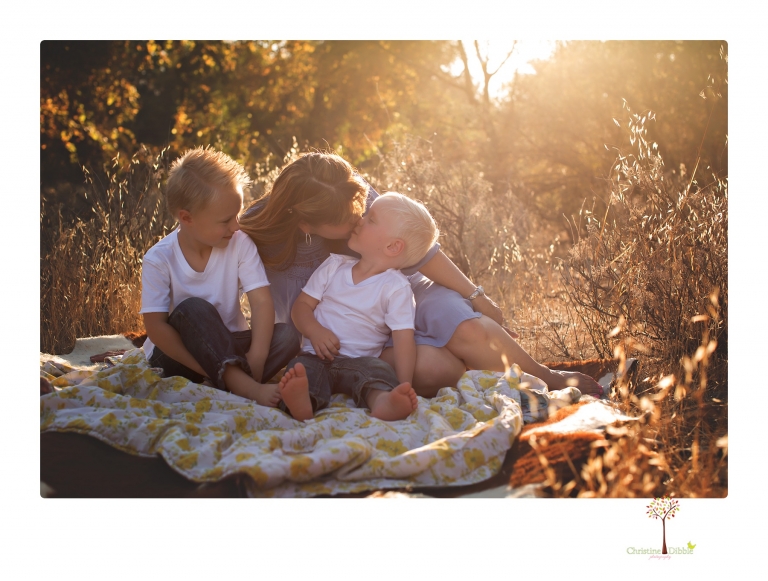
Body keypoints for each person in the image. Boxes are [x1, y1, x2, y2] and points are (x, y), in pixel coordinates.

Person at [239, 152, 603, 398]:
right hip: (354, 332)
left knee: (466, 326)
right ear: (306, 224)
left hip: (402, 288)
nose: (359, 218)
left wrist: (477, 296)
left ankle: (547, 376)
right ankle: (483, 369)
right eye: (348, 221)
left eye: (361, 211)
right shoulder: (254, 234)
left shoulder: (344, 191)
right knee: (429, 368)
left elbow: (421, 251)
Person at [139, 146, 300, 407]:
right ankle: (241, 385)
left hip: (231, 346)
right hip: (178, 357)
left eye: (237, 215)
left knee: (287, 336)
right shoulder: (159, 259)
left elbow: (260, 302)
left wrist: (257, 359)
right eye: (226, 220)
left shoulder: (240, 242)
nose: (236, 226)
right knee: (193, 308)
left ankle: (234, 382)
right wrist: (210, 368)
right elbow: (157, 329)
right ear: (187, 217)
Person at [278, 192, 429, 421]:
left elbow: (404, 340)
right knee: (301, 370)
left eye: (371, 219)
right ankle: (303, 403)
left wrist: (404, 385)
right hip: (314, 356)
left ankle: (384, 402)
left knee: (378, 373)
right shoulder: (334, 266)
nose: (360, 219)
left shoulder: (396, 288)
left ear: (392, 246)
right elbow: (301, 307)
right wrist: (315, 332)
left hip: (359, 362)